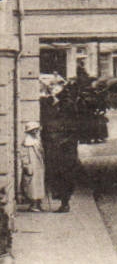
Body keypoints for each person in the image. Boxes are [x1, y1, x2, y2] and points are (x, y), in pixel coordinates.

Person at [39, 80, 81, 213]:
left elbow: (73, 127)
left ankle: (65, 202)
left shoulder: (68, 104)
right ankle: (62, 200)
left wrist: (63, 140)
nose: (52, 89)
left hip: (65, 147)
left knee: (65, 173)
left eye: (55, 86)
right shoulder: (52, 102)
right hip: (54, 145)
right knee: (55, 173)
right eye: (51, 86)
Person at [18, 121, 48, 212]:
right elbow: (23, 155)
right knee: (32, 186)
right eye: (33, 130)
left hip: (38, 165)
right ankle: (33, 204)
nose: (35, 132)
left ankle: (38, 203)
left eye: (36, 130)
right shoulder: (27, 141)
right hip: (32, 165)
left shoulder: (37, 140)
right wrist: (26, 164)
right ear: (29, 131)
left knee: (39, 185)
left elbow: (41, 152)